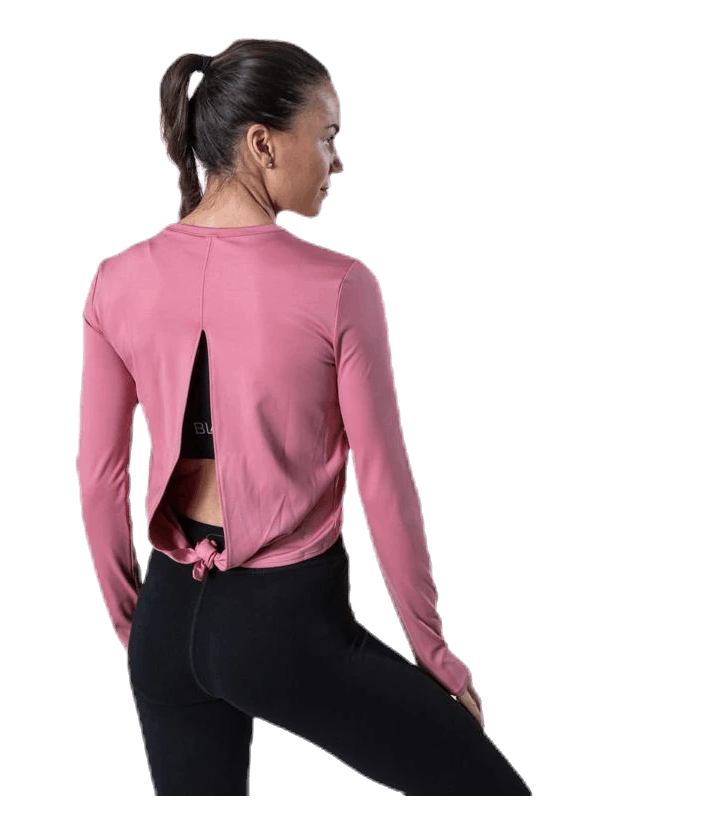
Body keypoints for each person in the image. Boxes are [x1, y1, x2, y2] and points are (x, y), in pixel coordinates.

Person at [76, 38, 532, 800]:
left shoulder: (117, 282)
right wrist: (435, 655)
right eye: (326, 137)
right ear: (262, 144)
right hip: (282, 629)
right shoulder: (337, 287)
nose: (337, 161)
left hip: (166, 621)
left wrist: (139, 628)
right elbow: (384, 488)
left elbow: (99, 482)